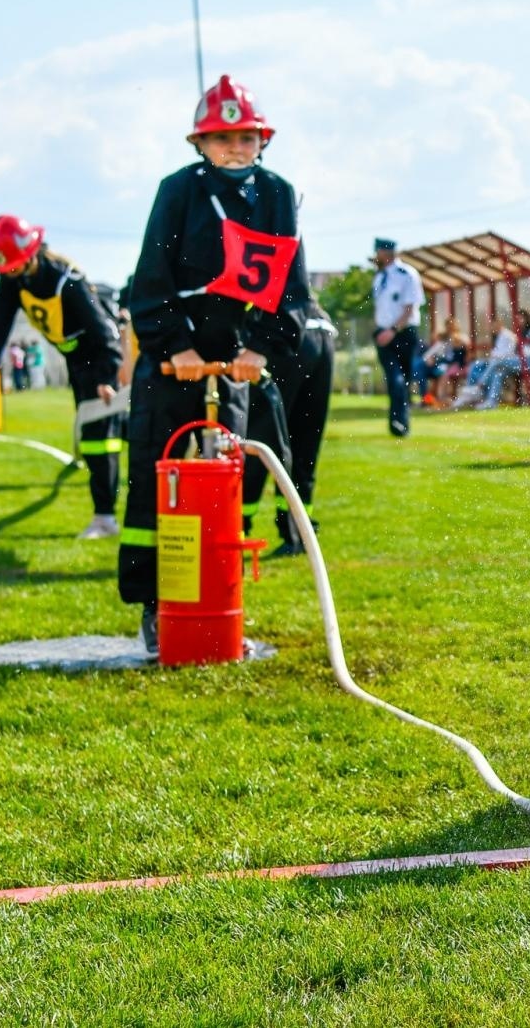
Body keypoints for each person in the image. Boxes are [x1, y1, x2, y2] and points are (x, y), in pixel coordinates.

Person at [120, 74, 310, 655]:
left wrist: (261, 347)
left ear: (263, 141)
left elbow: (289, 286)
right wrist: (172, 346)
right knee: (161, 479)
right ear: (199, 142)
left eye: (246, 137)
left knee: (231, 482)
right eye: (222, 136)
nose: (235, 147)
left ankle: (219, 599)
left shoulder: (278, 194)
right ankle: (156, 604)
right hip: (172, 361)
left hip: (236, 365)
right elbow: (149, 278)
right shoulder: (177, 191)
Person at [0, 215, 126, 539]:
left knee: (100, 439)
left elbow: (103, 330)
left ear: (30, 255)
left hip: (97, 358)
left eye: (13, 266)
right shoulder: (14, 280)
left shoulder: (67, 278)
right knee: (101, 432)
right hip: (76, 361)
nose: (9, 273)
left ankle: (105, 519)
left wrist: (107, 375)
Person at [241, 301, 336, 557]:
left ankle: (237, 529)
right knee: (305, 442)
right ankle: (298, 532)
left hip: (283, 336)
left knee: (258, 439)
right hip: (321, 331)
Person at [371, 238, 424, 437]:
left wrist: (392, 330)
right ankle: (397, 424)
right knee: (395, 379)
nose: (376, 256)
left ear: (386, 252)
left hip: (402, 333)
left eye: (378, 252)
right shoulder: (379, 277)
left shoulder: (407, 274)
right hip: (384, 332)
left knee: (403, 380)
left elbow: (410, 308)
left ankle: (401, 422)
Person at [452, 314, 522, 410]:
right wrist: (493, 355)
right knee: (475, 365)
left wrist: (494, 355)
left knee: (496, 368)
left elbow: (508, 354)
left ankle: (479, 389)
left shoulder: (508, 336)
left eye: (494, 325)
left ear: (500, 323)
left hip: (506, 364)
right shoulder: (498, 336)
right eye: (492, 326)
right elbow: (496, 353)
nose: (493, 328)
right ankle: (472, 392)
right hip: (496, 363)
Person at [420, 320, 469, 408]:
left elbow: (464, 350)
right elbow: (430, 354)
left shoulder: (461, 338)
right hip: (445, 363)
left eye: (451, 326)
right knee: (437, 373)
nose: (450, 329)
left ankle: (440, 399)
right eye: (448, 327)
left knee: (442, 374)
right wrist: (431, 358)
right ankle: (435, 399)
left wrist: (455, 339)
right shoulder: (444, 339)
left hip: (457, 365)